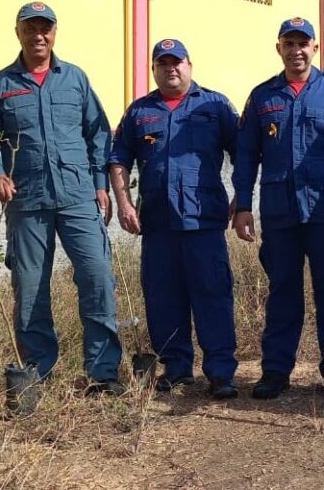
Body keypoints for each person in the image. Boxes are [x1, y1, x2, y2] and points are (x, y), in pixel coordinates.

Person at [0, 1, 124, 396]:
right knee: (31, 285)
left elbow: (98, 134)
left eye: (45, 29)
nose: (39, 36)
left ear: (55, 33)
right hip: (28, 200)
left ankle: (102, 373)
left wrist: (99, 183)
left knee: (97, 278)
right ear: (18, 33)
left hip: (77, 197)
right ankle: (37, 374)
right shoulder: (1, 85)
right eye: (30, 29)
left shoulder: (74, 80)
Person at [231, 16, 324, 402]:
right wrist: (243, 205)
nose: (296, 51)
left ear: (315, 47)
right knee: (282, 292)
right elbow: (246, 156)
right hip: (280, 213)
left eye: (303, 43)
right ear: (279, 48)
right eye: (288, 44)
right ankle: (276, 371)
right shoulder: (262, 98)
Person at [108, 38, 240, 399]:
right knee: (163, 297)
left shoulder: (214, 105)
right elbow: (118, 159)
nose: (171, 69)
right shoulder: (139, 112)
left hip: (204, 222)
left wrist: (243, 196)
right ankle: (177, 368)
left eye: (177, 62)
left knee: (213, 294)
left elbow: (243, 150)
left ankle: (221, 372)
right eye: (162, 63)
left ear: (189, 64)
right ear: (153, 69)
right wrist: (124, 203)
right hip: (158, 224)